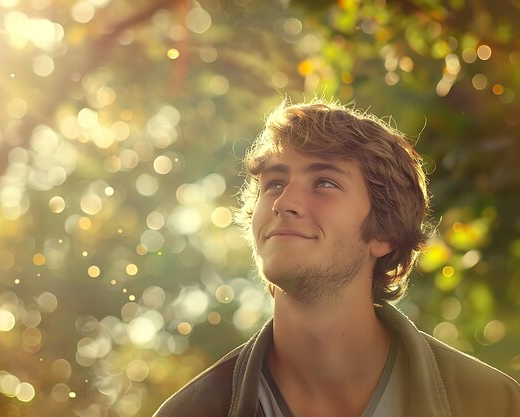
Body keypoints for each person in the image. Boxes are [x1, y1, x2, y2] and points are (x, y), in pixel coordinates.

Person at [153, 99, 520, 417]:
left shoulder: (493, 404)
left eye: (324, 183)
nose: (284, 203)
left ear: (385, 233)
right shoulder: (190, 412)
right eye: (275, 183)